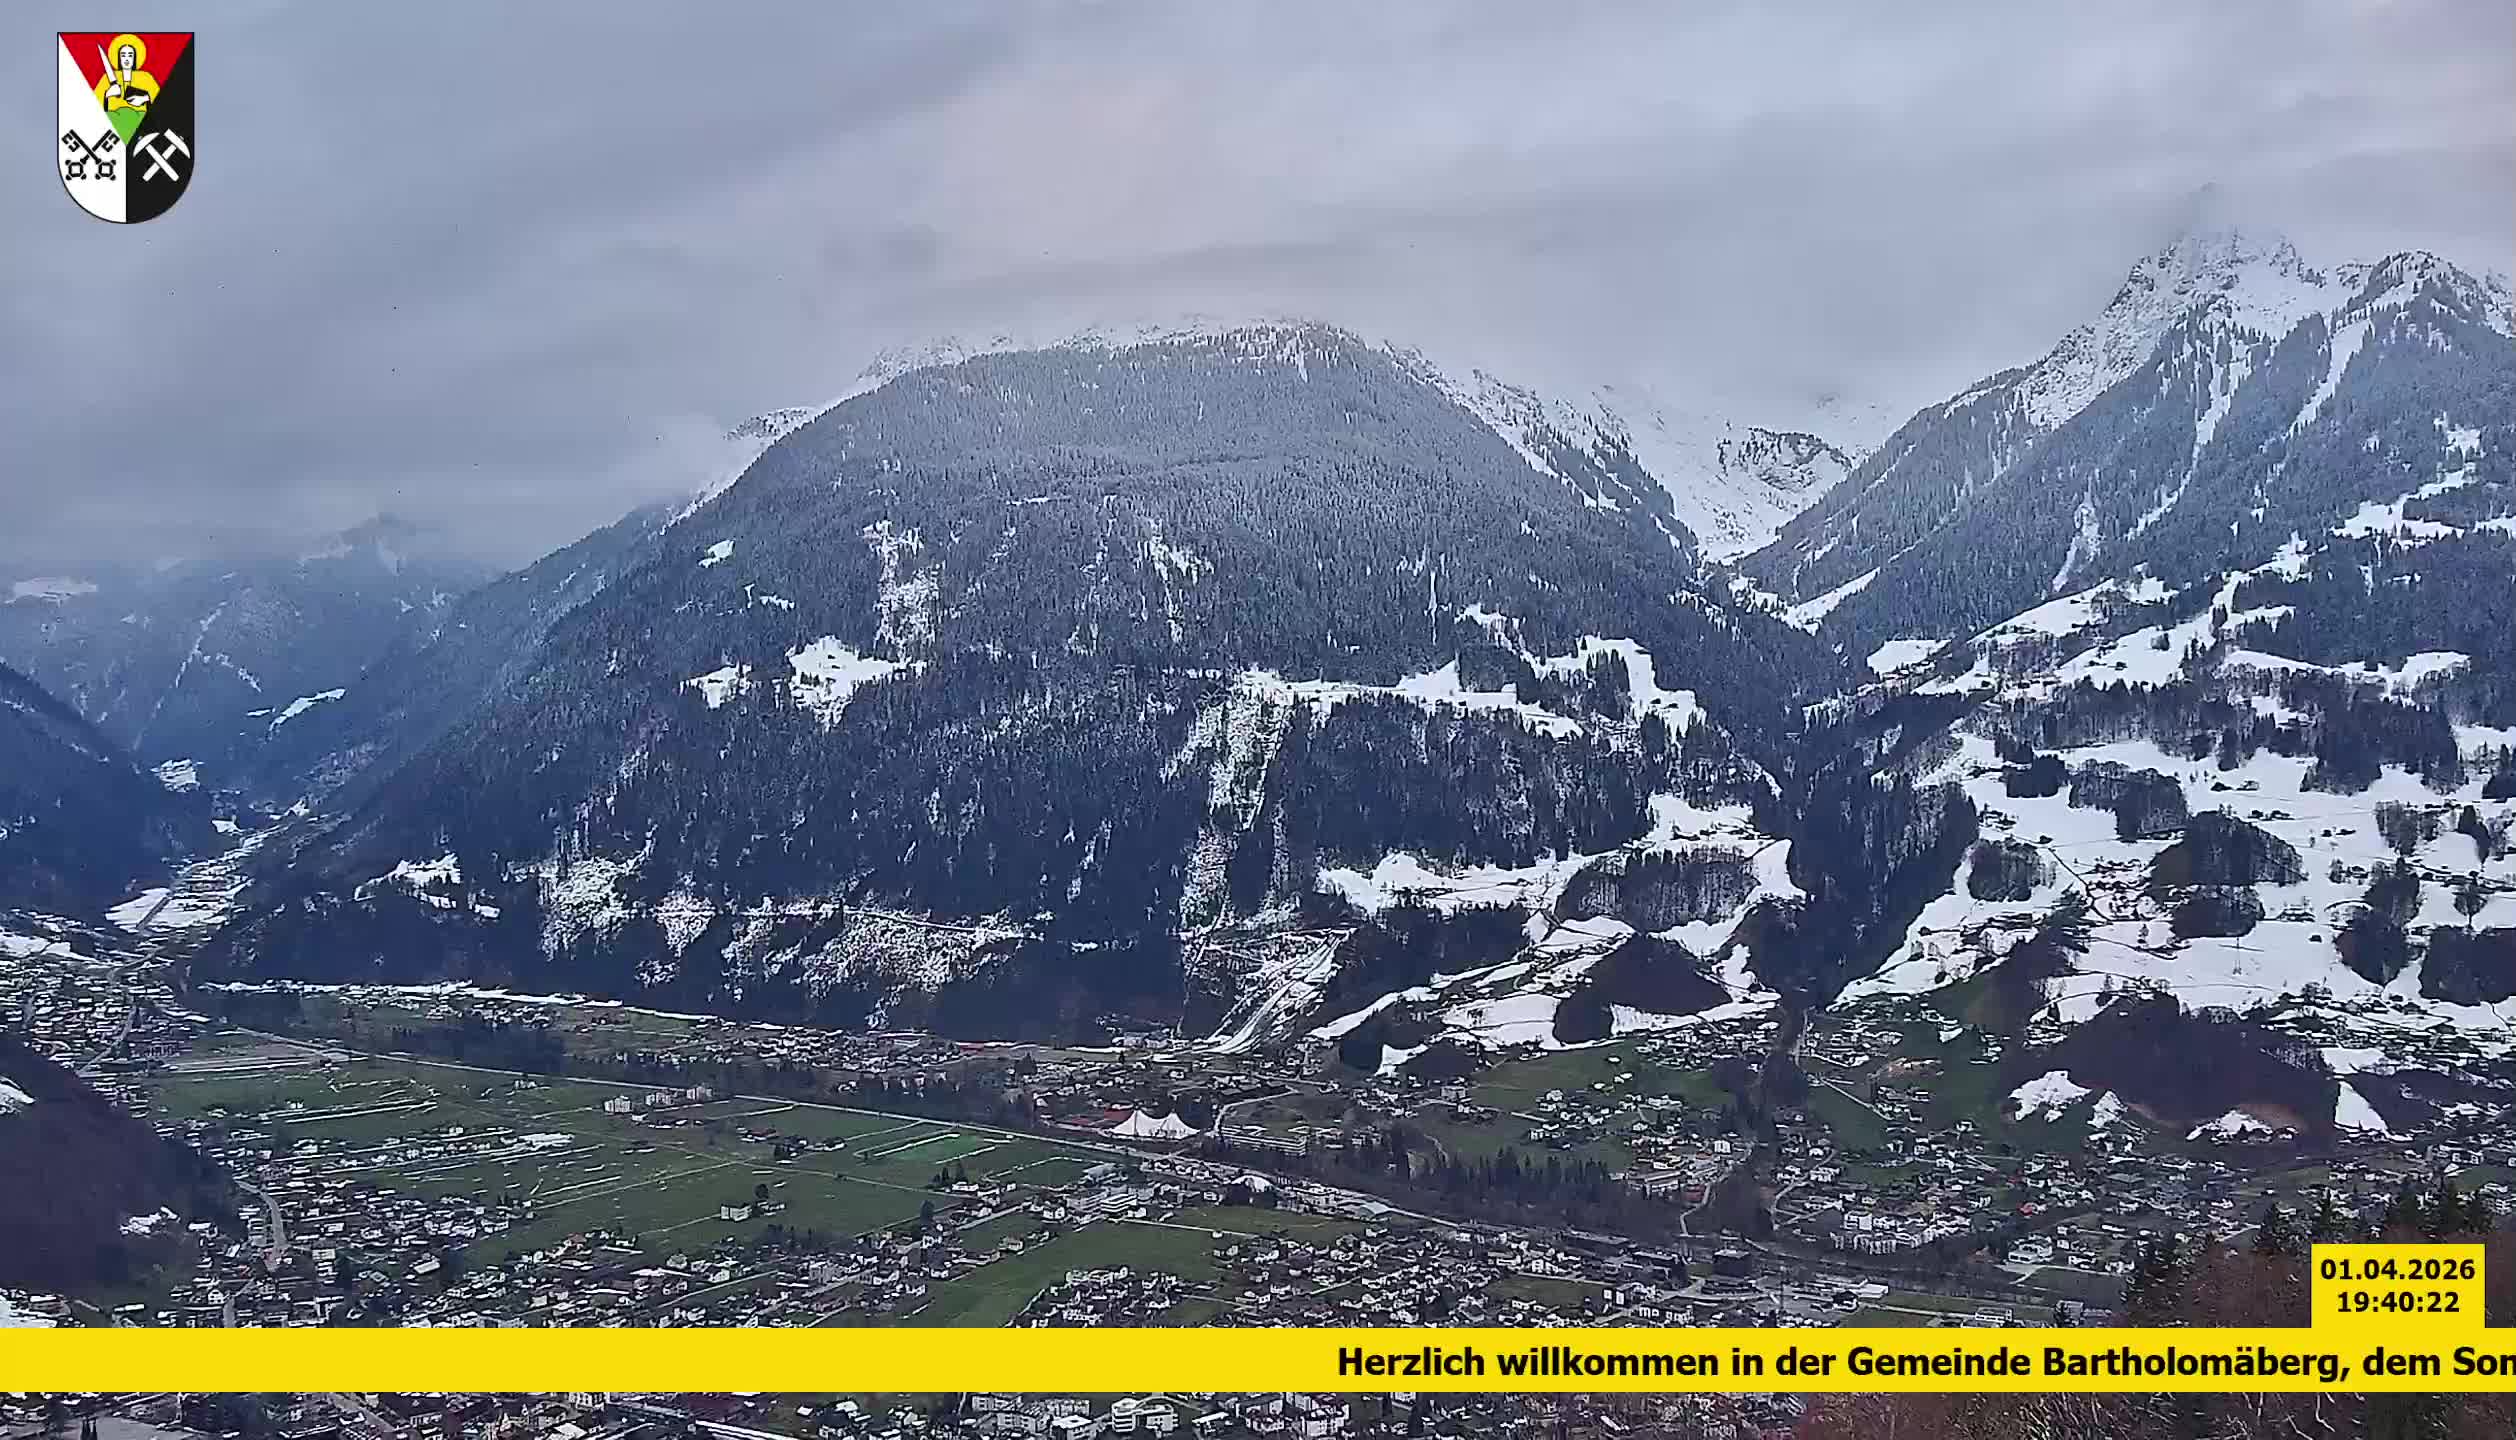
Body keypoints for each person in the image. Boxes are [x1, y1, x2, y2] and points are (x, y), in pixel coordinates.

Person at [96, 33, 160, 113]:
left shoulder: (146, 77)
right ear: (119, 58)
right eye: (123, 55)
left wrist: (145, 98)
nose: (126, 59)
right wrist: (107, 95)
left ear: (135, 58)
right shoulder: (106, 78)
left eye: (130, 55)